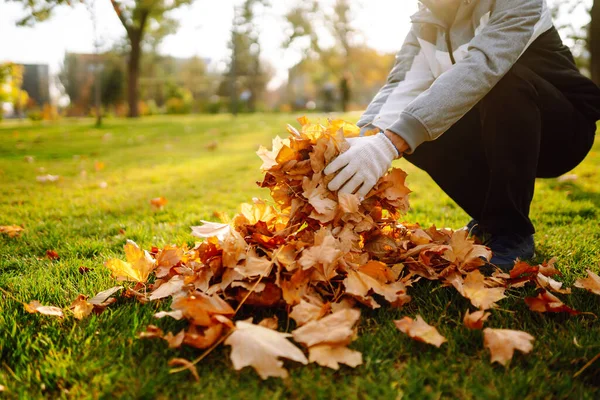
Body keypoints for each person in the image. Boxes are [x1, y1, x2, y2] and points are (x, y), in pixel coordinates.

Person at [324, 0, 600, 270]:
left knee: (503, 80)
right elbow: (400, 87)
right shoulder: (425, 24)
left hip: (563, 132)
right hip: (493, 129)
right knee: (413, 125)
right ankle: (490, 220)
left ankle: (511, 232)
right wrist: (363, 140)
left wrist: (390, 143)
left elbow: (484, 65)